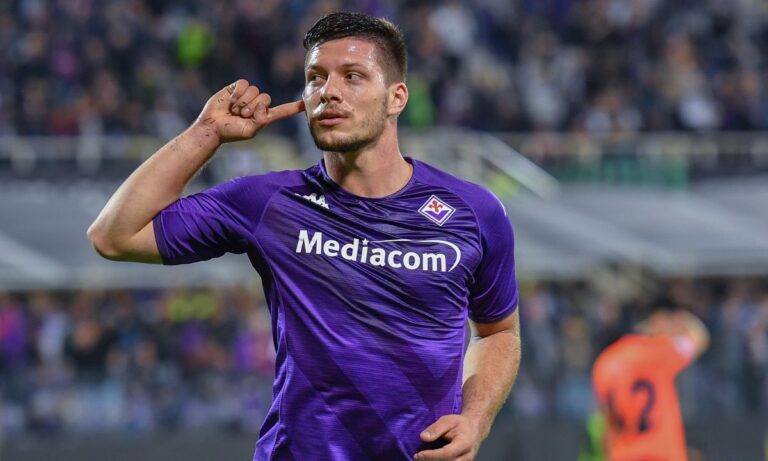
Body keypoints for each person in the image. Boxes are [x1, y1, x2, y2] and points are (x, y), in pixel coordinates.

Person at [87, 11, 521, 461]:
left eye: (352, 76)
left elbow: (497, 332)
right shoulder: (268, 202)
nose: (328, 91)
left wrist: (476, 419)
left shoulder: (474, 212)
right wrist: (207, 133)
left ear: (397, 98)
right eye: (315, 78)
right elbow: (114, 235)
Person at [592, 299, 710, 461]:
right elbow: (698, 338)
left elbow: (608, 424)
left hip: (624, 454)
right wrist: (682, 317)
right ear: (656, 321)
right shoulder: (657, 350)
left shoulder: (604, 363)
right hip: (658, 453)